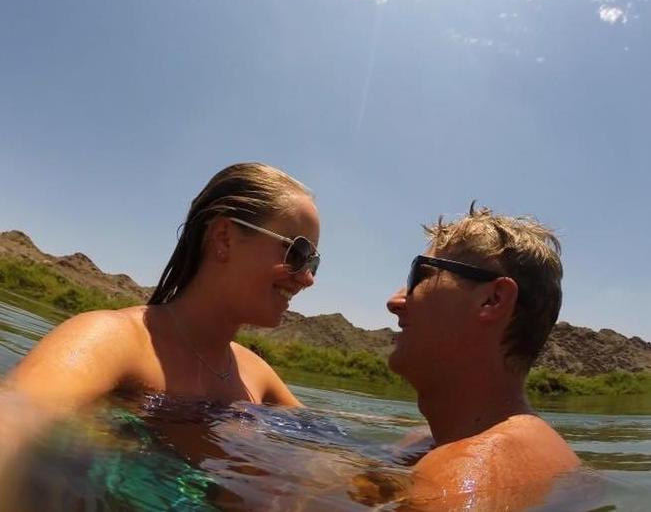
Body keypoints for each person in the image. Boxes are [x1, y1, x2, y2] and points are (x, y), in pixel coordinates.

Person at [5, 162, 320, 411]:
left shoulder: (258, 375)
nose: (308, 278)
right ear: (224, 237)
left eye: (313, 263)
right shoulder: (111, 341)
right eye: (299, 253)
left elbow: (333, 460)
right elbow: (16, 418)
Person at [386, 203, 580, 511]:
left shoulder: (466, 471)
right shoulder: (431, 443)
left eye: (420, 275)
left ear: (493, 299)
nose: (394, 301)